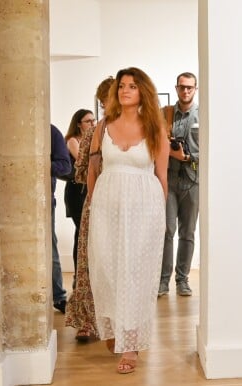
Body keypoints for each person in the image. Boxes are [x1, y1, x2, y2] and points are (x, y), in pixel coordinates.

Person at [87, 67, 169, 374]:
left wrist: (161, 216)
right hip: (107, 208)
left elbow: (162, 176)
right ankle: (114, 328)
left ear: (142, 92)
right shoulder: (103, 126)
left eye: (132, 86)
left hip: (143, 211)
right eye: (122, 86)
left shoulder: (155, 129)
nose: (125, 90)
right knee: (108, 268)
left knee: (135, 273)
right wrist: (94, 206)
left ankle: (131, 343)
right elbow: (93, 169)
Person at [65, 76, 114, 342]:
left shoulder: (133, 127)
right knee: (90, 263)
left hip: (122, 203)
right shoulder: (96, 132)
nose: (107, 106)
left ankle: (112, 321)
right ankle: (89, 320)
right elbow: (82, 170)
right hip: (97, 202)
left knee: (111, 263)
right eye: (104, 102)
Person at [159, 72, 199, 297]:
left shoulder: (203, 114)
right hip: (168, 179)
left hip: (194, 179)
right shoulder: (164, 114)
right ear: (176, 88)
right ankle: (163, 281)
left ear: (195, 89)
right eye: (182, 87)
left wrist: (186, 157)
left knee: (188, 233)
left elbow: (210, 148)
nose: (185, 91)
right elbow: (154, 143)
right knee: (166, 231)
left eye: (190, 88)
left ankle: (182, 280)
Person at [64, 109, 96, 288]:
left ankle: (85, 275)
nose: (92, 124)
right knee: (82, 232)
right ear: (78, 123)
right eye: (88, 121)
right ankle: (79, 275)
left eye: (93, 121)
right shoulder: (73, 141)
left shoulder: (93, 140)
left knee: (84, 233)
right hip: (77, 192)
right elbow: (85, 161)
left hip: (89, 189)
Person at [50, 124, 72, 314]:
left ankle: (58, 297)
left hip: (43, 201)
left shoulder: (51, 132)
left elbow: (65, 166)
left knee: (50, 249)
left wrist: (40, 163)